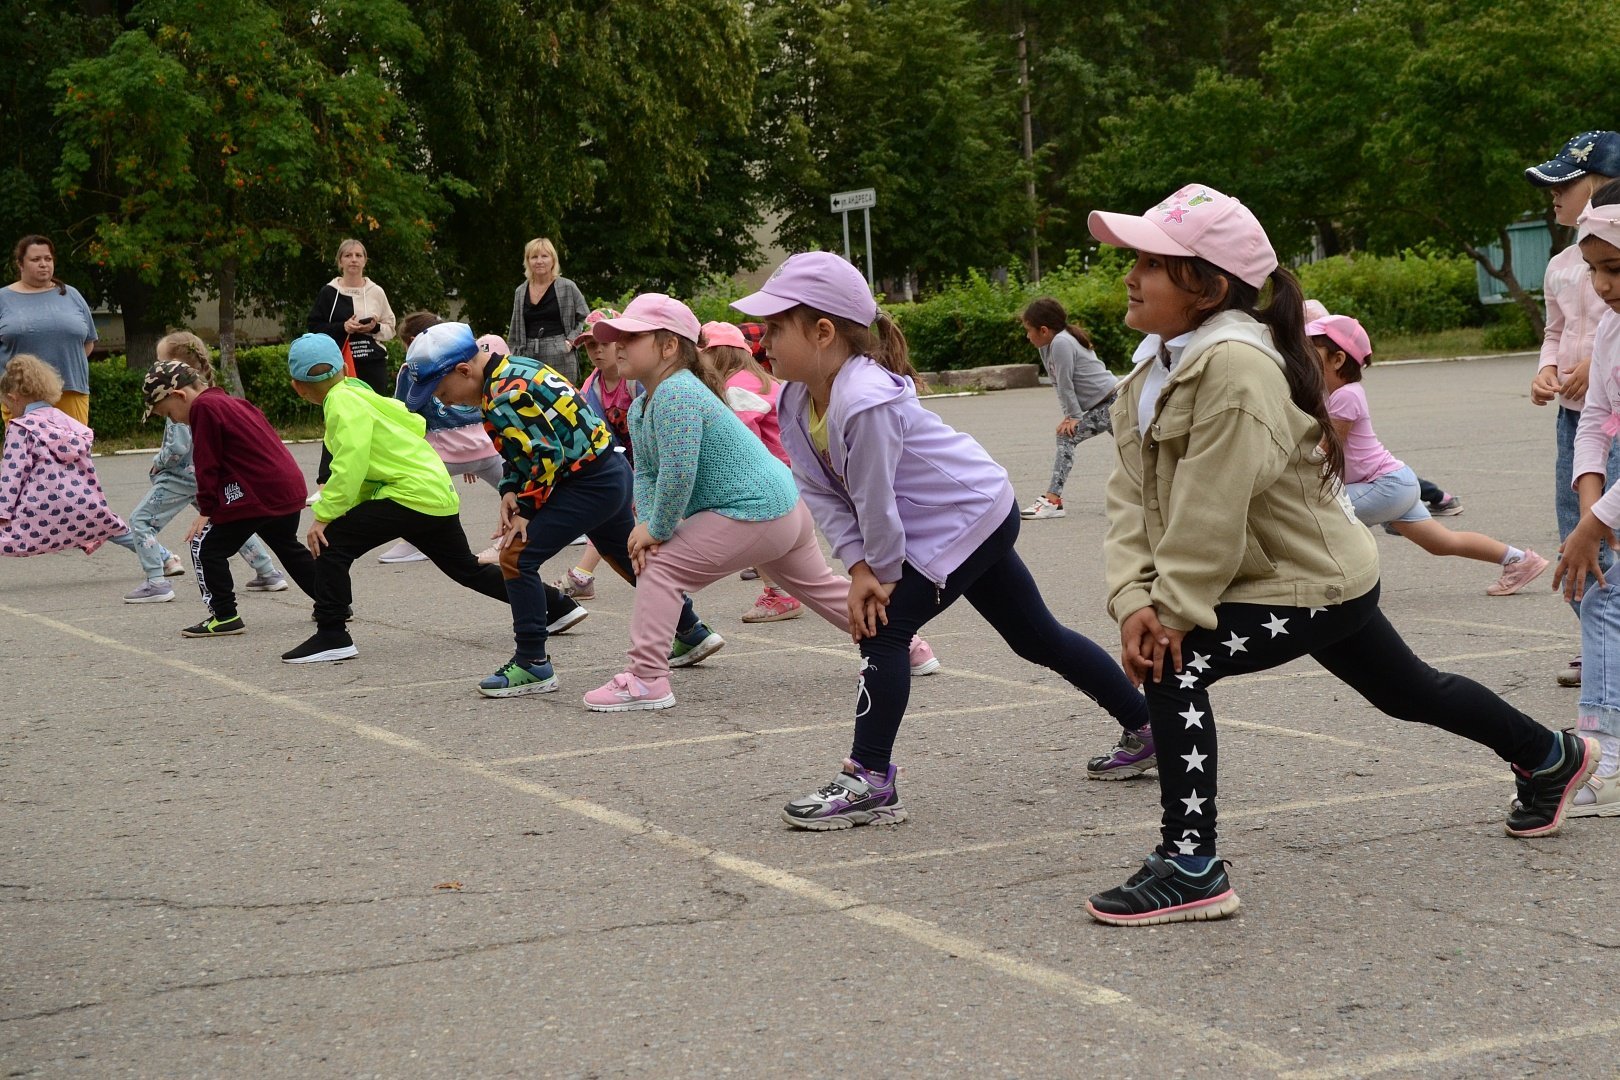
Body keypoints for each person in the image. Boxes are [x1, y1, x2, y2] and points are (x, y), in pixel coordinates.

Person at [1082, 183, 1595, 927]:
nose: (1130, 273)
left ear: (1209, 287)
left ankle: (1191, 864)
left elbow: (1209, 511)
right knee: (1409, 691)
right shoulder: (1154, 367)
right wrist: (1132, 598)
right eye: (1134, 257)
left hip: (1312, 582)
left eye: (1152, 262)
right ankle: (1551, 756)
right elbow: (1130, 493)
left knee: (1175, 662)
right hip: (1293, 575)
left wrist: (1168, 613)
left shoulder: (1234, 367)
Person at [731, 252, 1150, 830]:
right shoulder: (796, 399)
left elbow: (874, 500)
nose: (764, 339)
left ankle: (870, 779)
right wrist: (857, 565)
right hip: (932, 522)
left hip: (967, 516)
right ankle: (1147, 726)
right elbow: (823, 493)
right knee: (1037, 637)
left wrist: (877, 577)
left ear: (823, 332)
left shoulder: (865, 400)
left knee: (884, 627)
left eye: (776, 328)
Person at [399, 322, 720, 698]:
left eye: (441, 391)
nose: (443, 401)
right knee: (625, 556)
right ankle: (691, 630)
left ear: (464, 371)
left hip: (587, 482)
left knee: (517, 557)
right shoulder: (517, 369)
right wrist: (509, 490)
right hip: (608, 472)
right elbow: (522, 447)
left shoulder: (504, 394)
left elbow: (545, 454)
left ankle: (532, 662)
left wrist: (527, 510)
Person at [279, 334, 517, 664]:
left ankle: (332, 633)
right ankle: (555, 606)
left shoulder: (341, 403)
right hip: (432, 493)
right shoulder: (360, 394)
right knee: (466, 568)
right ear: (346, 368)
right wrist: (342, 507)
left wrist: (326, 513)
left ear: (297, 387)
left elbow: (351, 462)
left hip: (409, 494)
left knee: (329, 542)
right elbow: (369, 465)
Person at [1313, 312, 1549, 594]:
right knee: (1442, 543)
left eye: (1308, 354)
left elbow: (1326, 450)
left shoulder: (1346, 395)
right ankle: (1519, 560)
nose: (1301, 361)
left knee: (1318, 515)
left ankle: (1340, 589)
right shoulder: (1335, 393)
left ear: (1337, 360)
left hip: (1384, 486)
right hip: (1392, 483)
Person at [1527, 130, 1620, 688]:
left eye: (1566, 183)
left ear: (1606, 186)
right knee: (1577, 531)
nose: (1554, 196)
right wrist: (1549, 368)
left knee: (1605, 529)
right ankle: (1600, 636)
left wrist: (1592, 369)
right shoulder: (1568, 264)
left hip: (1609, 411)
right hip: (1580, 416)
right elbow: (1555, 332)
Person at [140, 360, 322, 638]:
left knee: (206, 547)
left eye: (168, 413)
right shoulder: (231, 401)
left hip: (257, 491)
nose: (173, 420)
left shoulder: (203, 408)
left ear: (179, 395)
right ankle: (333, 603)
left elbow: (207, 462)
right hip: (285, 485)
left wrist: (208, 509)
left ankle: (224, 615)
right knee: (287, 547)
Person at [110, 331, 287, 603]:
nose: (155, 367)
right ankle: (268, 571)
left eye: (160, 361)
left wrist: (158, 465)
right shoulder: (206, 396)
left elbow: (177, 448)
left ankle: (156, 580)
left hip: (181, 476)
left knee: (141, 521)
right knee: (230, 525)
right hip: (205, 477)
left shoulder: (177, 402)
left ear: (176, 369)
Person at [1551, 181, 1620, 815]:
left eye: (1615, 268)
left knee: (1605, 591)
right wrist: (1589, 502)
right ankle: (1602, 747)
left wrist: (1594, 523)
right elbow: (1596, 417)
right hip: (1612, 480)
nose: (1602, 286)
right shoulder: (1610, 331)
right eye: (1594, 269)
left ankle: (1603, 747)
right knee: (1605, 590)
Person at [697, 319, 804, 622]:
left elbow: (743, 440)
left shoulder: (735, 388)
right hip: (793, 468)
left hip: (771, 474)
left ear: (718, 354)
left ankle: (780, 595)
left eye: (700, 354)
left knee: (758, 537)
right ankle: (788, 590)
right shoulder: (764, 379)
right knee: (783, 544)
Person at [376, 315, 506, 566]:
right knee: (519, 490)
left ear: (413, 342)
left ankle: (414, 542)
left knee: (412, 491)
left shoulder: (411, 370)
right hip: (484, 449)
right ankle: (569, 527)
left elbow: (405, 413)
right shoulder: (469, 362)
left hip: (444, 454)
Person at [0, 354, 124, 555]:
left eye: (7, 405)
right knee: (112, 528)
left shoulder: (19, 428)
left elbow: (12, 475)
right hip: (82, 503)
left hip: (39, 509)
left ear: (14, 398)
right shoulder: (68, 423)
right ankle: (165, 557)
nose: (8, 411)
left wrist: (3, 511)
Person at [307, 238, 397, 491]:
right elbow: (314, 327)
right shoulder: (329, 292)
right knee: (338, 418)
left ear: (365, 260)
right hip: (341, 365)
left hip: (372, 363)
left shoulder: (377, 292)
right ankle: (326, 480)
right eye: (348, 255)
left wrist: (374, 327)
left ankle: (377, 477)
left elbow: (391, 328)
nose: (354, 260)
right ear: (340, 262)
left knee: (375, 418)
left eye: (358, 255)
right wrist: (342, 327)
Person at [1019, 297, 1118, 520]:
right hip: (1104, 403)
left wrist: (1074, 417)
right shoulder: (1047, 346)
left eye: (1029, 330)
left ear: (1043, 330)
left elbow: (1066, 382)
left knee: (1066, 438)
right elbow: (1058, 383)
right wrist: (1069, 415)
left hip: (1112, 402)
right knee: (1134, 449)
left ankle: (1053, 501)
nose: (1027, 336)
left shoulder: (1062, 343)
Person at [1, 236, 97, 427]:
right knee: (26, 454)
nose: (43, 264)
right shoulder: (3, 298)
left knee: (72, 452)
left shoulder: (72, 295)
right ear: (20, 264)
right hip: (20, 396)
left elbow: (88, 343)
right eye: (35, 260)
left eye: (48, 259)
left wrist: (58, 370)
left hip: (70, 390)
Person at [508, 238, 589, 385]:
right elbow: (514, 329)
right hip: (528, 356)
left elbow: (585, 318)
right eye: (534, 257)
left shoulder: (567, 286)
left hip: (560, 353)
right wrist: (512, 357)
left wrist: (571, 341)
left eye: (544, 256)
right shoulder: (520, 291)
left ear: (553, 260)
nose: (539, 261)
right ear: (528, 261)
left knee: (563, 401)